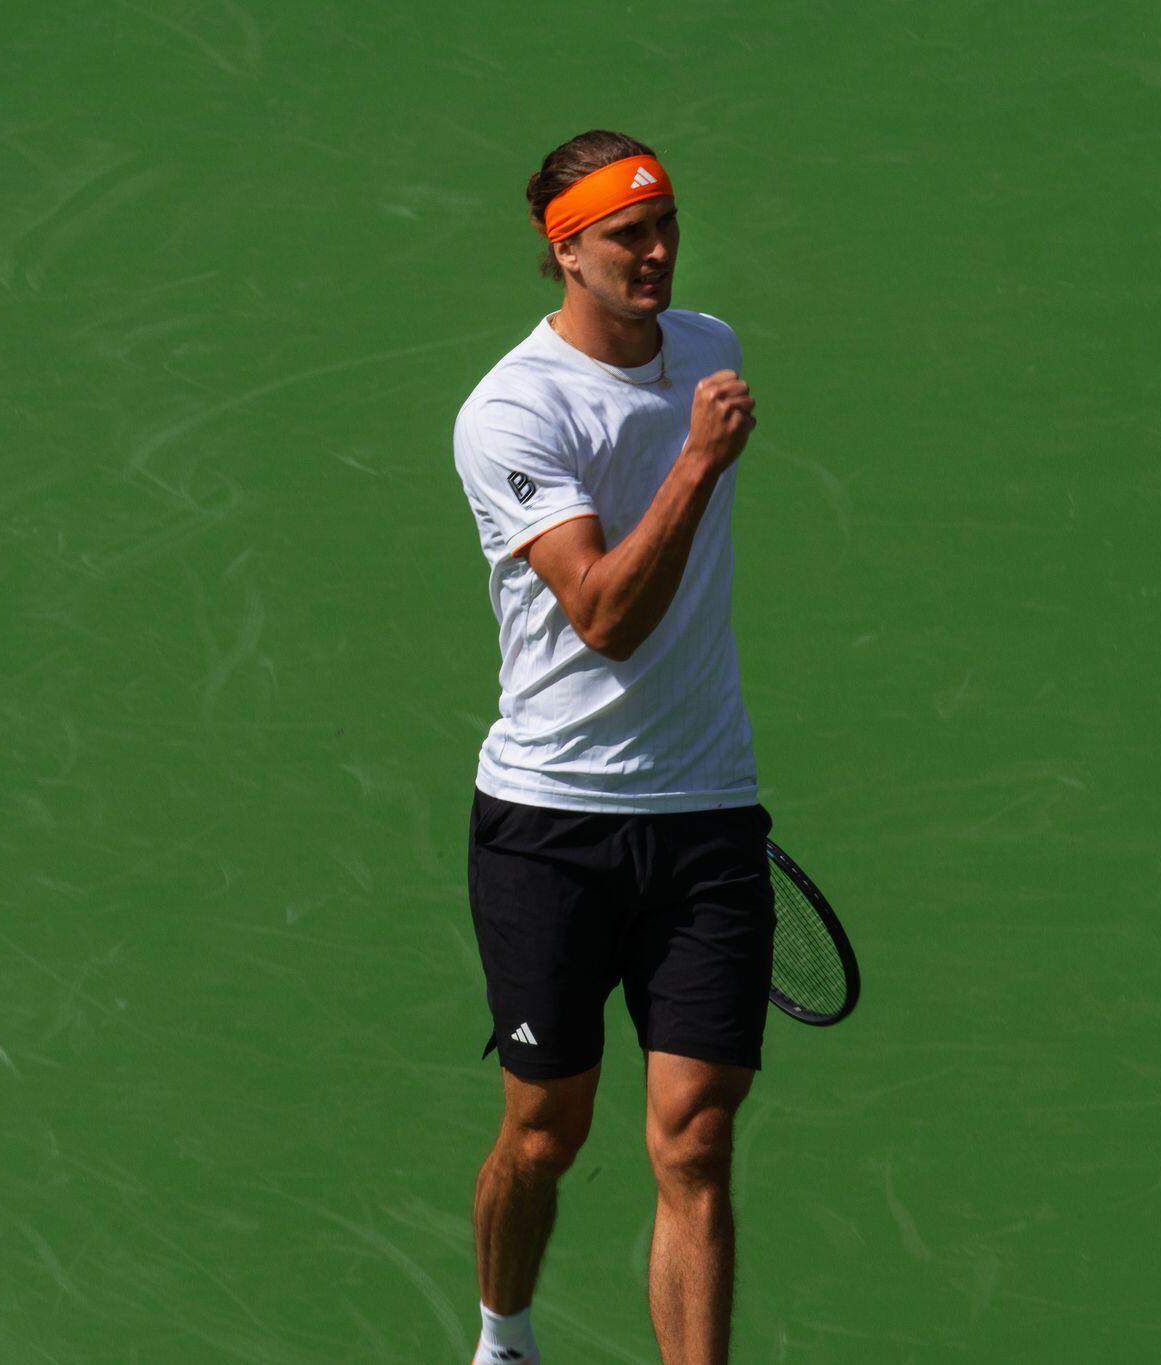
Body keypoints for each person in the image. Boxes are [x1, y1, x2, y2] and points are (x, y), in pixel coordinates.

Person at [451, 130, 771, 1365]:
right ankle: (503, 1338)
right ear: (564, 251)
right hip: (550, 822)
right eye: (625, 234)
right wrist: (694, 461)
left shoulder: (706, 346)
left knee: (695, 1136)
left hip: (705, 809)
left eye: (664, 223)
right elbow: (603, 618)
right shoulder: (512, 412)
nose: (655, 251)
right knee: (545, 1132)